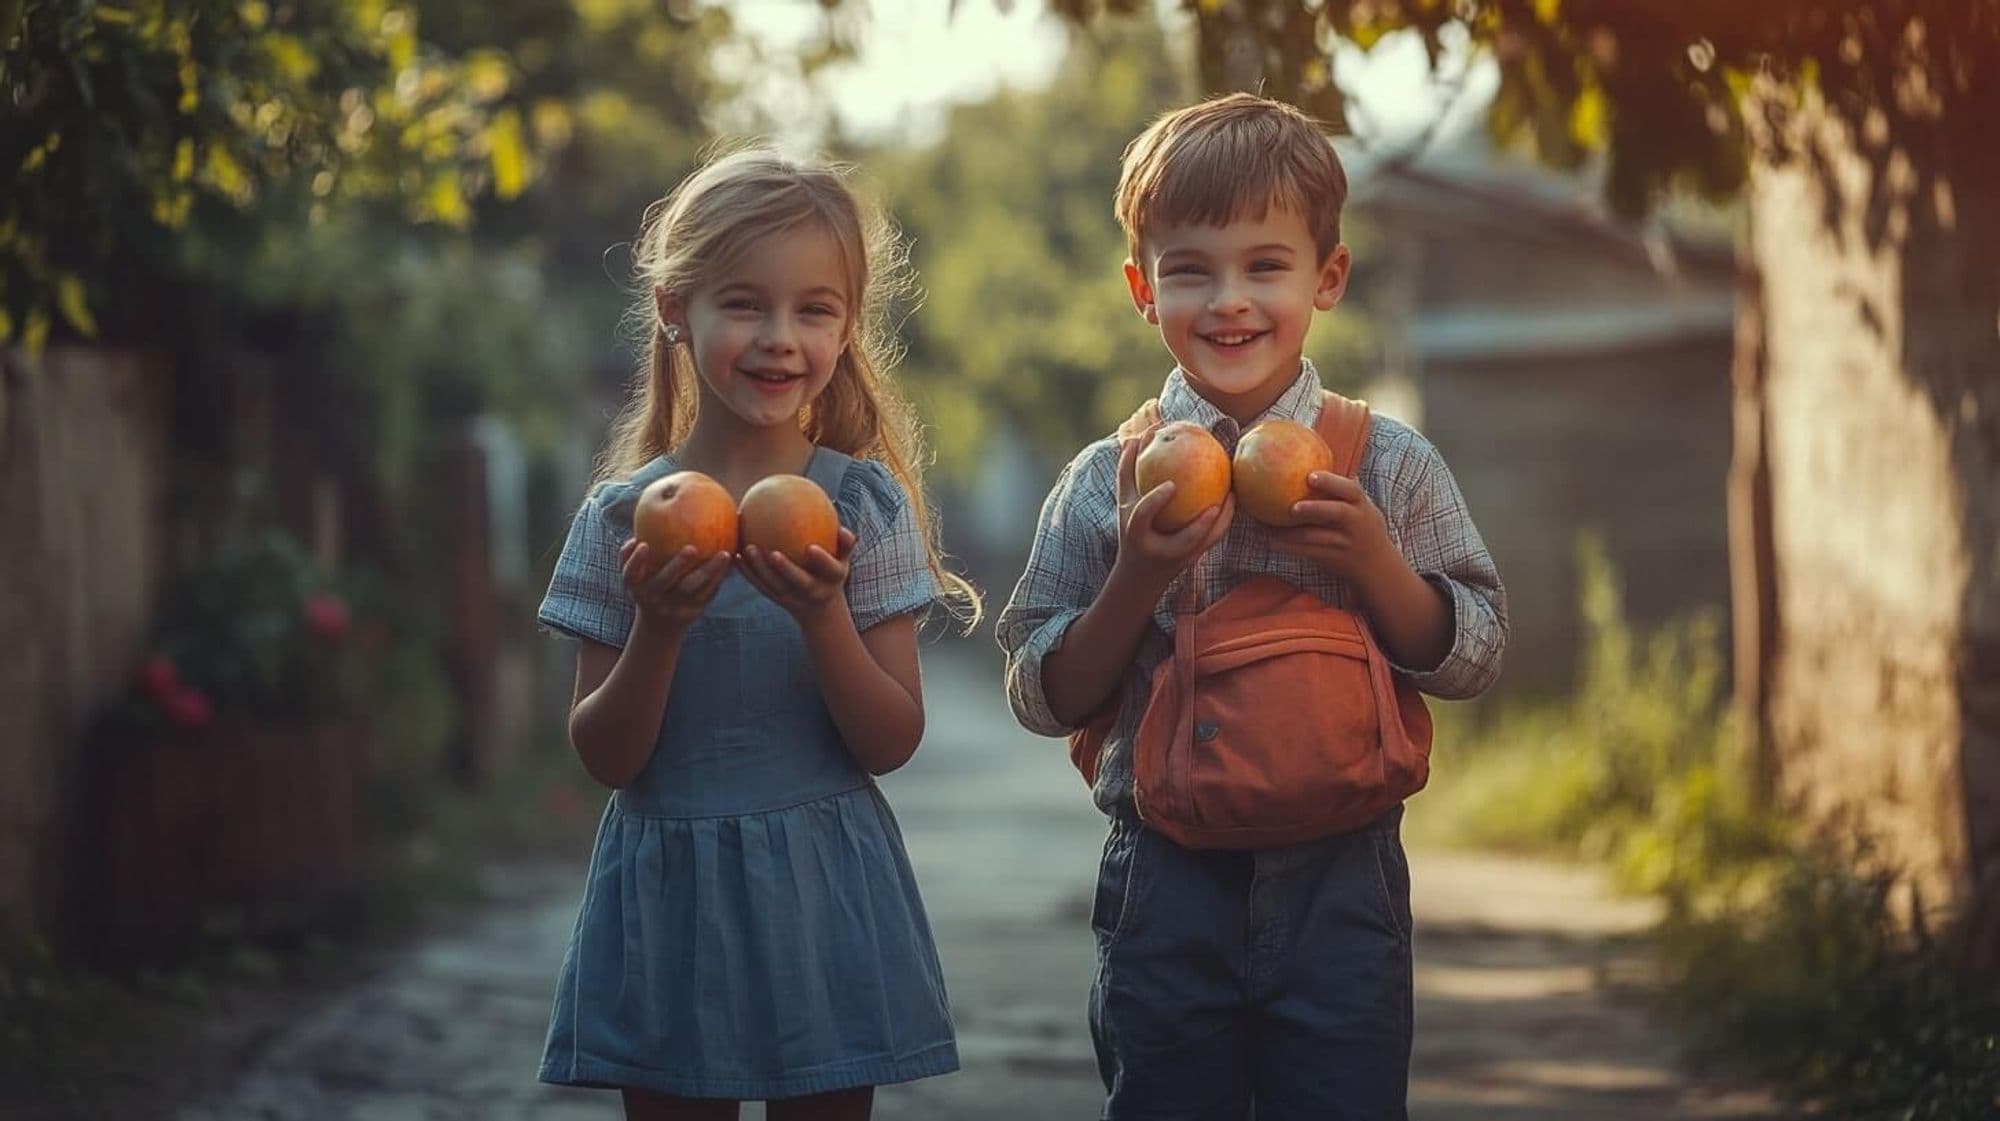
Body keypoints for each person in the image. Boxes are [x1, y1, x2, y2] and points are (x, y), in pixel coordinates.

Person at [995, 92, 1509, 1120]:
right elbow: (1040, 692)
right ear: (1143, 289)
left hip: (1343, 872)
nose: (1228, 300)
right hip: (1165, 874)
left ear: (1326, 277)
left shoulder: (1386, 465)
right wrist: (1134, 576)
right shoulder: (1110, 477)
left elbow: (1470, 655)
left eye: (1263, 266)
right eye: (1191, 269)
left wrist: (1375, 561)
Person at [535, 145, 979, 1121]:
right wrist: (657, 628)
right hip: (670, 898)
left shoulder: (861, 507)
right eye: (744, 303)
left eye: (814, 308)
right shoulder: (622, 521)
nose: (780, 336)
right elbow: (606, 755)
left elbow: (889, 738)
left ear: (846, 327)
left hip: (825, 890)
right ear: (672, 309)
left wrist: (822, 615)